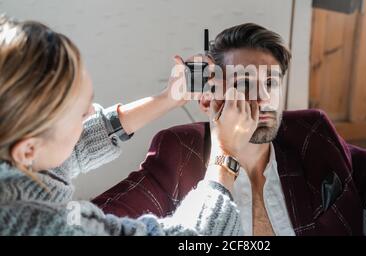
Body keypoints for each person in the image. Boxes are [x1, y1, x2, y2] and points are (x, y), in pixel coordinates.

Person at [94, 23, 366, 236]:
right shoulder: (177, 154)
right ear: (207, 100)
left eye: (271, 82)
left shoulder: (312, 135)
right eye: (246, 82)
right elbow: (90, 224)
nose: (263, 97)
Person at [0, 16, 259, 235]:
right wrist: (225, 152)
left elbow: (73, 149)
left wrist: (167, 98)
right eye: (81, 114)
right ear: (27, 150)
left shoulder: (16, 157)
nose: (91, 112)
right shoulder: (48, 227)